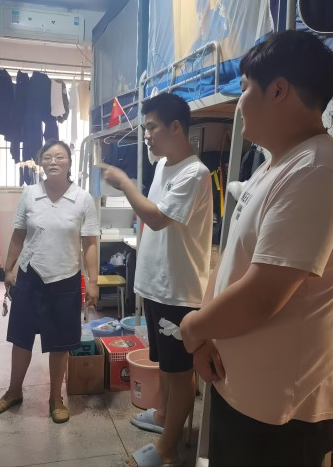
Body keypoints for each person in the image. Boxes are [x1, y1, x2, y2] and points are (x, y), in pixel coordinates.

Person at [180, 30, 333, 466]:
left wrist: (192, 329)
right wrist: (205, 333)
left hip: (284, 410)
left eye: (246, 88)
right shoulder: (275, 165)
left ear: (279, 90)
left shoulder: (319, 170)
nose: (239, 102)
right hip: (247, 392)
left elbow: (264, 293)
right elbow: (233, 260)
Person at [101, 92, 213, 467]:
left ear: (176, 127)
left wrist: (125, 183)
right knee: (166, 363)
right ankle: (164, 416)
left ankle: (167, 449)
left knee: (180, 371)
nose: (146, 135)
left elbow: (157, 218)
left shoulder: (195, 174)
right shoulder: (165, 164)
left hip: (177, 290)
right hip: (157, 284)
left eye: (151, 127)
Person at [0, 140, 99, 424]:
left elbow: (89, 243)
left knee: (60, 343)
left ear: (69, 163)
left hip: (65, 278)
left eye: (59, 157)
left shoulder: (82, 199)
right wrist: (8, 269)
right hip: (30, 275)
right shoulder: (30, 194)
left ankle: (55, 398)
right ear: (40, 162)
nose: (53, 162)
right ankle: (14, 391)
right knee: (21, 338)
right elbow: (18, 235)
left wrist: (93, 281)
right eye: (47, 157)